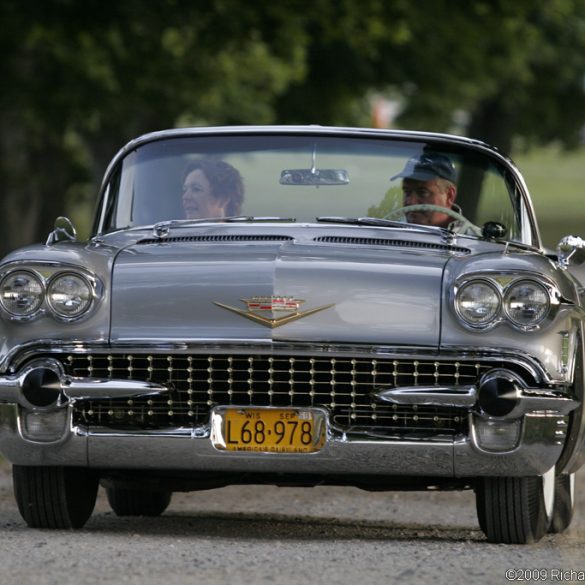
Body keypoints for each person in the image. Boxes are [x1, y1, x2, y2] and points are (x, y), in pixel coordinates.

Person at [391, 152, 459, 229]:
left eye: (422, 192)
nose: (411, 202)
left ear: (449, 195)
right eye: (407, 192)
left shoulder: (472, 238)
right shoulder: (392, 233)